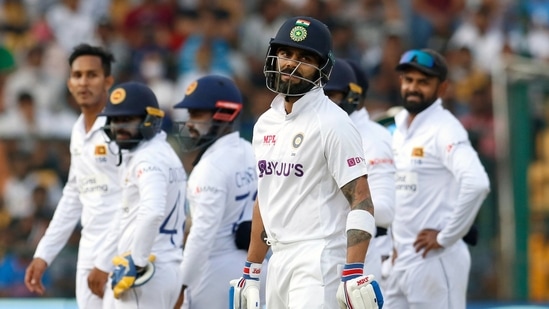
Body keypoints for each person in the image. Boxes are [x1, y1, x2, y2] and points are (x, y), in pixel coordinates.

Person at [230, 16, 383, 309]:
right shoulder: (266, 124)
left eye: (304, 58)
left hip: (321, 258)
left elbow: (361, 200)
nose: (291, 64)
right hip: (279, 259)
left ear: (322, 68)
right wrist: (251, 271)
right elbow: (267, 197)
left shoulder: (333, 123)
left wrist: (353, 272)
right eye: (285, 54)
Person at [385, 48, 490, 308]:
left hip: (435, 260)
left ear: (442, 88)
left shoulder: (445, 128)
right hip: (401, 261)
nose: (413, 88)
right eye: (408, 80)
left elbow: (477, 183)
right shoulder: (398, 129)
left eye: (423, 82)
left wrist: (445, 237)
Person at [24, 43, 120, 308]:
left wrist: (106, 261)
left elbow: (135, 200)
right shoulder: (78, 130)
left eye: (92, 75)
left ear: (108, 81)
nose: (84, 82)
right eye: (78, 75)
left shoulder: (120, 129)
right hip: (89, 248)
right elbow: (73, 196)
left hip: (123, 250)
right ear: (69, 83)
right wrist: (43, 254)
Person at [171, 74, 265, 308]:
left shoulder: (209, 168)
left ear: (224, 113)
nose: (189, 122)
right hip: (258, 269)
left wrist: (181, 285)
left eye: (197, 114)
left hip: (213, 275)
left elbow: (202, 236)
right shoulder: (251, 151)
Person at [95, 81, 186, 308]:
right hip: (163, 266)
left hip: (146, 273)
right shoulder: (162, 152)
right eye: (115, 120)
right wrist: (104, 263)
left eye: (127, 119)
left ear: (150, 119)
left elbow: (152, 211)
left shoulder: (148, 157)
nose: (119, 126)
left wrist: (136, 263)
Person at [324, 58, 396, 281]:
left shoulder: (373, 138)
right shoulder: (318, 131)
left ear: (353, 96)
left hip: (363, 256)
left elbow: (385, 212)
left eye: (331, 94)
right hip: (322, 252)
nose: (323, 101)